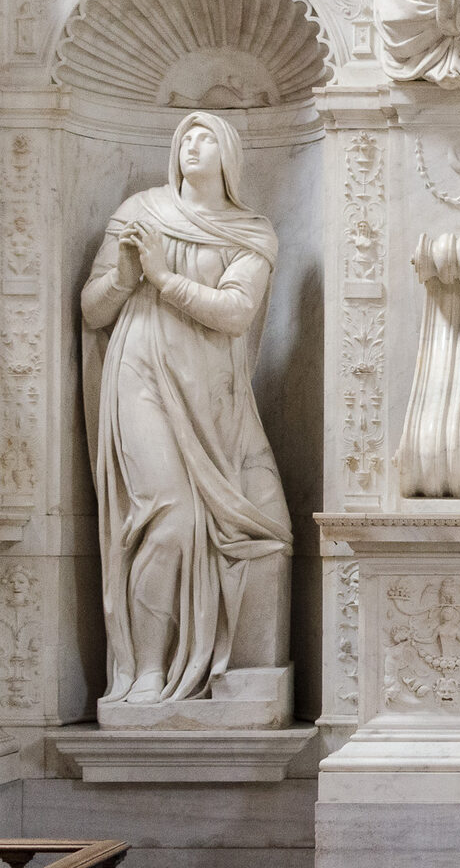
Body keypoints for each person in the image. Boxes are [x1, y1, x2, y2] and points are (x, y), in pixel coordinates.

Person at [82, 112, 292, 707]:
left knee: (251, 527)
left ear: (230, 156)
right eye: (185, 139)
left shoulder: (251, 232)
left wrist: (161, 276)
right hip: (139, 374)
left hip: (211, 395)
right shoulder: (139, 211)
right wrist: (126, 277)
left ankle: (193, 667)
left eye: (205, 138)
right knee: (170, 516)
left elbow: (235, 313)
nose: (191, 146)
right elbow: (93, 310)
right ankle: (148, 669)